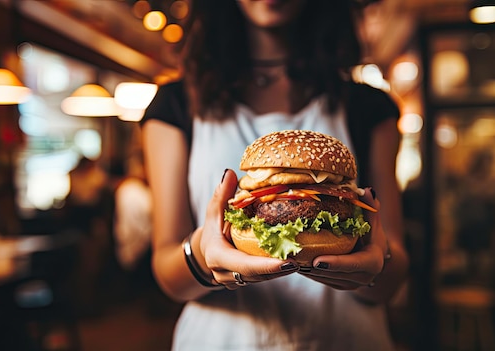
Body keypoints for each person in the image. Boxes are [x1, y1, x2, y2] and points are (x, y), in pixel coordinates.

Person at [141, 1, 409, 349]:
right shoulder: (174, 104)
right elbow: (168, 274)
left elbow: (395, 269)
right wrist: (203, 251)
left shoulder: (370, 107)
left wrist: (376, 266)